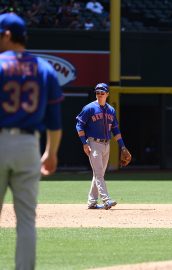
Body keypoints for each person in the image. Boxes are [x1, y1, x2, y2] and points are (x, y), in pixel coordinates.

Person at [0, 13, 63, 269]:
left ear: (6, 35)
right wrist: (51, 152)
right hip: (29, 145)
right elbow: (55, 120)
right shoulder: (44, 68)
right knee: (26, 219)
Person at [76, 83, 130, 210]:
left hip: (106, 144)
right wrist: (84, 143)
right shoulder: (89, 108)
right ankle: (106, 200)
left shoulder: (111, 110)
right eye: (98, 93)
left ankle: (92, 202)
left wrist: (122, 147)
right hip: (93, 143)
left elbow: (115, 130)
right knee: (99, 173)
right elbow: (79, 125)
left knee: (98, 174)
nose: (100, 95)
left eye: (102, 92)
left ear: (107, 94)